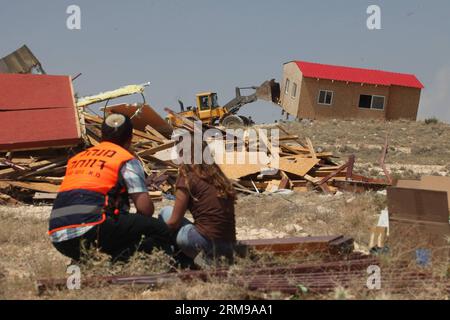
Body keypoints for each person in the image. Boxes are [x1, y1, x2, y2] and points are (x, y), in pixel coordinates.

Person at [48, 114, 172, 262]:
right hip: (93, 229)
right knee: (159, 229)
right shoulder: (125, 159)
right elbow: (145, 209)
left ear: (102, 135)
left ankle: (97, 260)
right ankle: (122, 261)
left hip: (58, 236)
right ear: (130, 138)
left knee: (122, 226)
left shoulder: (78, 158)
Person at [159, 141, 237, 267]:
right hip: (229, 245)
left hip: (203, 242)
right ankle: (203, 260)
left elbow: (173, 222)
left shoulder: (187, 176)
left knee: (165, 211)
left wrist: (155, 232)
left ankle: (178, 260)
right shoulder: (218, 177)